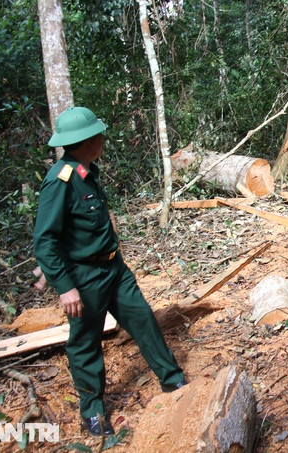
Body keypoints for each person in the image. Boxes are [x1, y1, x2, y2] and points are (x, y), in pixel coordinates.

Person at [33, 106, 187, 436]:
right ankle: (91, 411)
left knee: (143, 318)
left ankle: (173, 380)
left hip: (114, 268)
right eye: (99, 135)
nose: (103, 139)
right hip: (84, 277)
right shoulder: (59, 181)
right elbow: (44, 240)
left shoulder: (89, 171)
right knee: (85, 342)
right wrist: (64, 286)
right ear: (88, 141)